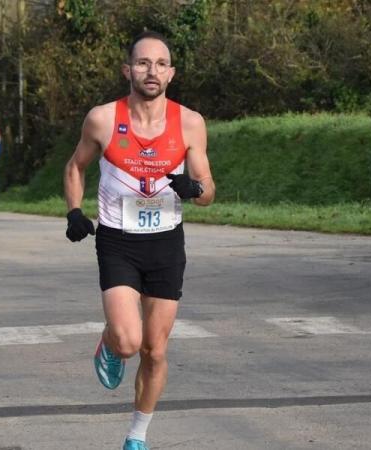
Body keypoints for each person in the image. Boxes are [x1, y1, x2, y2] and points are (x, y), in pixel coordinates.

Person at [63, 31, 215, 450]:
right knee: (129, 341)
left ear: (172, 73)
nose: (152, 71)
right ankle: (110, 342)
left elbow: (208, 192)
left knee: (155, 351)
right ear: (127, 70)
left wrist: (193, 188)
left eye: (161, 64)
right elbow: (75, 167)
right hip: (118, 241)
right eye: (143, 63)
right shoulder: (103, 119)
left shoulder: (189, 123)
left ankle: (136, 436)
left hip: (166, 244)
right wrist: (74, 211)